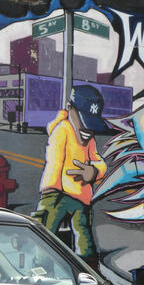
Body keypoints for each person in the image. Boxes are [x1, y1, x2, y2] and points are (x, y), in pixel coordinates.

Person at [33, 85, 108, 269]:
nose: (87, 129)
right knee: (46, 235)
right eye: (83, 121)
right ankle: (41, 271)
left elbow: (99, 161)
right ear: (70, 108)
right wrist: (53, 193)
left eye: (91, 124)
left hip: (81, 197)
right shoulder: (62, 130)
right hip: (56, 193)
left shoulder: (89, 139)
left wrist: (94, 171)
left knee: (84, 238)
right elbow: (55, 164)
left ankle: (89, 270)